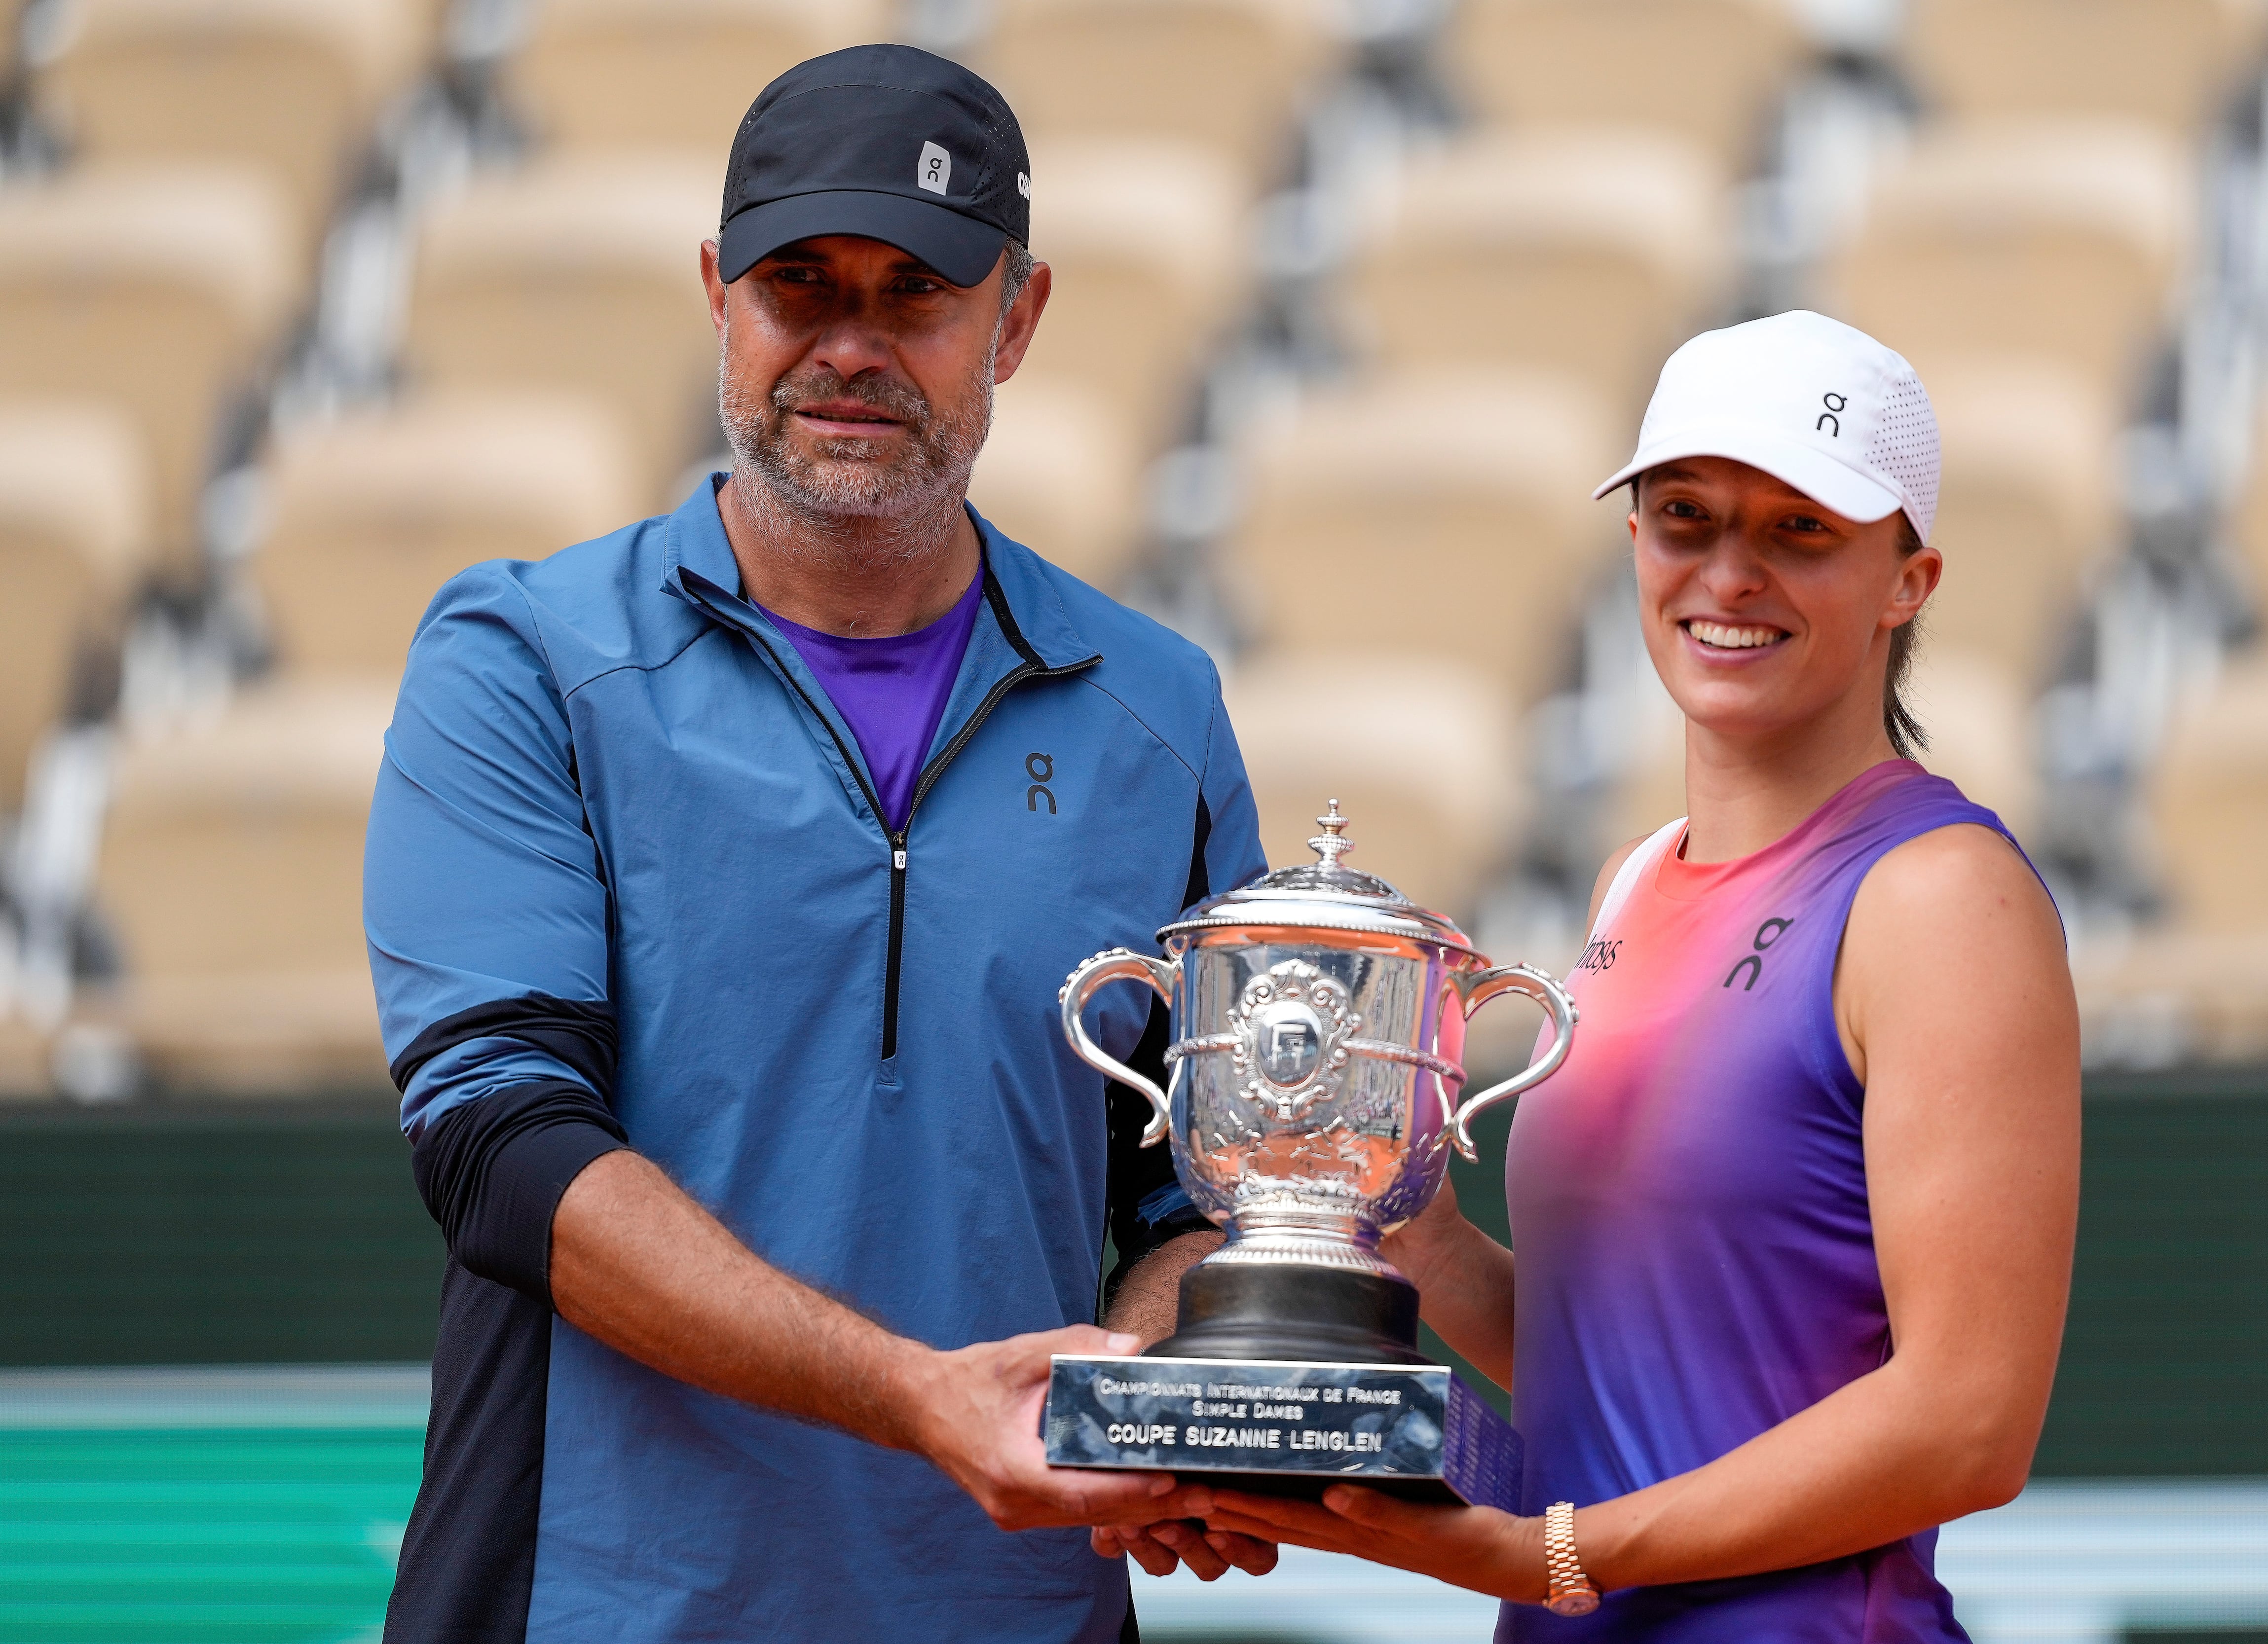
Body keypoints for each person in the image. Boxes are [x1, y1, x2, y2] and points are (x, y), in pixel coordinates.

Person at [366, 45, 1275, 1644]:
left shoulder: (1160, 710)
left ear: (1020, 315)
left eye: (916, 294)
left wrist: (1139, 1393)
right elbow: (503, 1157)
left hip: (1018, 1610)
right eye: (801, 285)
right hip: (595, 1608)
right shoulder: (522, 659)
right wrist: (920, 1397)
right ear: (719, 291)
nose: (850, 348)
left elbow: (1197, 1193)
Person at [1196, 311, 2081, 1639]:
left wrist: (1559, 1555)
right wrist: (1404, 1208)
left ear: (1911, 578)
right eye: (1687, 518)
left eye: (1802, 532)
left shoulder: (1944, 896)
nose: (1730, 575)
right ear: (1634, 545)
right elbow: (1608, 1361)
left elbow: (1968, 1424)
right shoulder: (1632, 878)